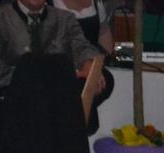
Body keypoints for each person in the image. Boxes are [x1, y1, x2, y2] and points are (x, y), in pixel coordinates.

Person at [49, 0, 115, 133]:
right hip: (59, 69)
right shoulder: (47, 5)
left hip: (89, 65)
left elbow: (103, 34)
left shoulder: (96, 3)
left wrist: (105, 61)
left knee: (106, 80)